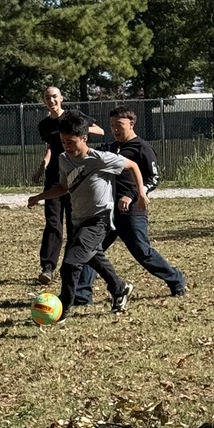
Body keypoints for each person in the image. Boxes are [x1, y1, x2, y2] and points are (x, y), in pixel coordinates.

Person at [27, 110, 148, 321]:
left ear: (84, 138)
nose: (67, 146)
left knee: (71, 264)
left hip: (99, 220)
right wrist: (40, 196)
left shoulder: (100, 159)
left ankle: (62, 309)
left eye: (71, 142)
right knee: (93, 256)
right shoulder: (64, 159)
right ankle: (120, 288)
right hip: (79, 219)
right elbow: (64, 187)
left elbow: (133, 166)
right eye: (64, 142)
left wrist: (141, 193)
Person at [74, 106, 185, 304]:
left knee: (143, 252)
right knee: (92, 250)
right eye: (112, 126)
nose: (115, 129)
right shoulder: (110, 148)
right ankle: (82, 296)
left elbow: (154, 178)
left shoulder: (141, 147)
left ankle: (176, 280)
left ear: (131, 124)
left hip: (132, 212)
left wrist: (133, 195)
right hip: (107, 212)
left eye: (119, 125)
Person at [32, 86, 103, 285]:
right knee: (53, 223)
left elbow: (100, 130)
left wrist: (78, 128)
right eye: (47, 97)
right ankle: (48, 268)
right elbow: (50, 149)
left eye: (54, 96)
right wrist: (41, 169)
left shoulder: (73, 115)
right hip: (54, 177)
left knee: (75, 224)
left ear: (61, 98)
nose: (51, 100)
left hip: (76, 175)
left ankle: (73, 265)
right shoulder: (44, 125)